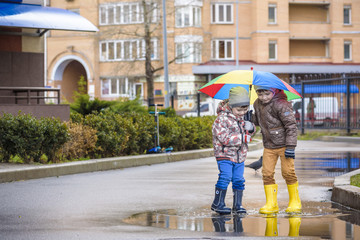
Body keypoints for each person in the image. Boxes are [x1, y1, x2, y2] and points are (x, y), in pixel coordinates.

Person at [252, 85, 301, 214]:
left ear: (273, 92)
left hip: (284, 145)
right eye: (260, 94)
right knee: (267, 173)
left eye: (267, 94)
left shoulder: (281, 104)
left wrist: (291, 147)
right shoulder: (257, 104)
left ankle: (295, 202)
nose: (263, 97)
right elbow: (257, 121)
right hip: (269, 145)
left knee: (288, 172)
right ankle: (271, 204)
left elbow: (291, 126)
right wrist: (248, 117)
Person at [211, 87, 255, 214]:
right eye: (239, 110)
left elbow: (248, 135)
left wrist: (250, 128)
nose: (242, 113)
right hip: (224, 154)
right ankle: (218, 203)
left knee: (239, 179)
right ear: (231, 106)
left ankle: (238, 205)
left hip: (240, 155)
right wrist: (242, 137)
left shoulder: (243, 118)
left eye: (245, 109)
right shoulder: (222, 119)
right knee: (225, 177)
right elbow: (224, 138)